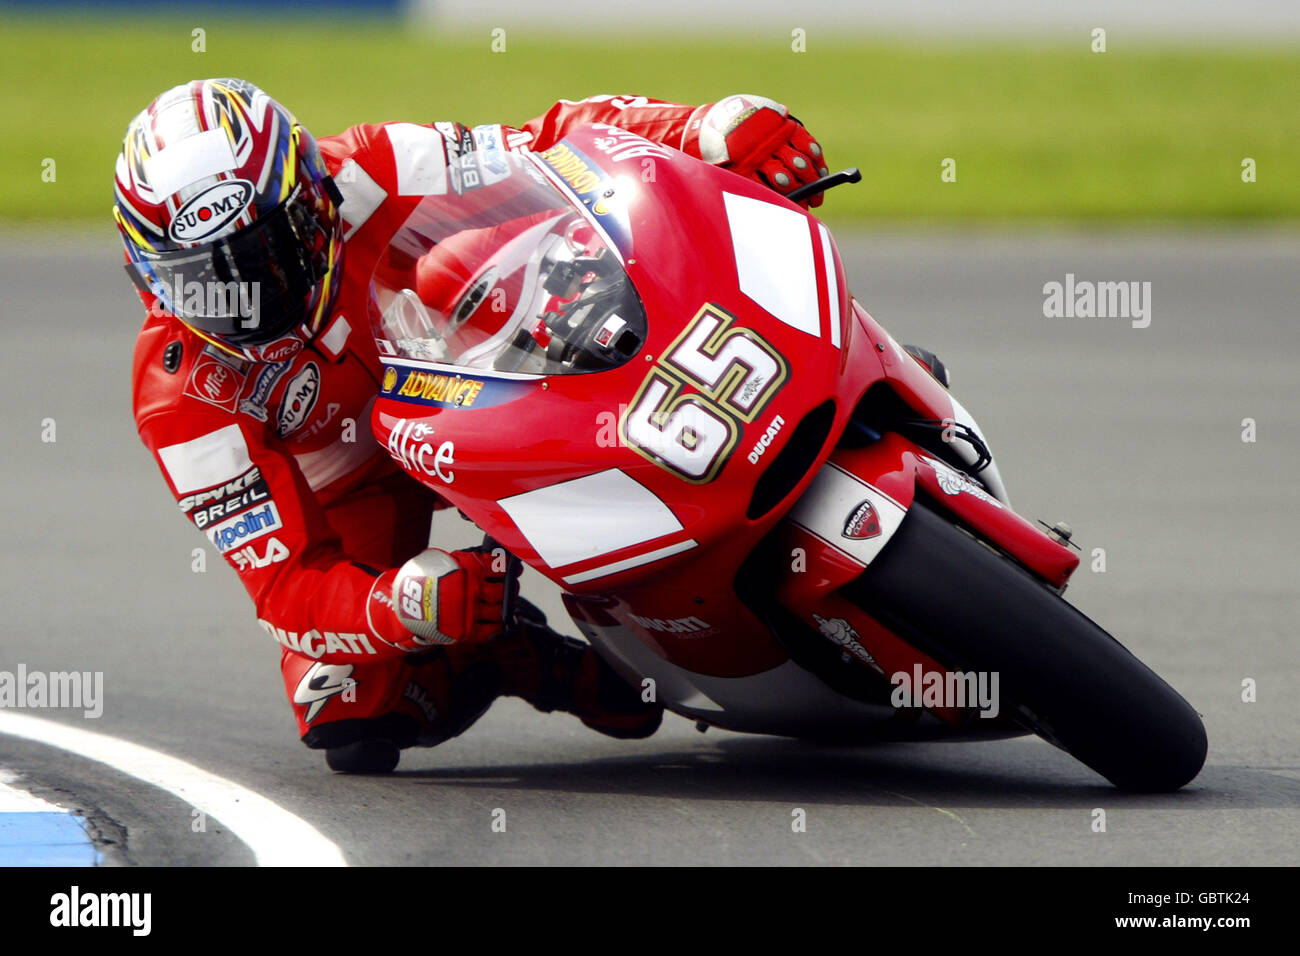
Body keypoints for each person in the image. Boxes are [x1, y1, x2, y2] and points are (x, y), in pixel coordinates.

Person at [114, 78, 829, 773]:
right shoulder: (178, 397)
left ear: (314, 198)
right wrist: (402, 607)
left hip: (483, 392)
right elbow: (286, 589)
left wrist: (702, 129)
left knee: (470, 262)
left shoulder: (374, 166)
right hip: (357, 491)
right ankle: (506, 649)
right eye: (202, 279)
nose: (249, 301)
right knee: (348, 713)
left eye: (269, 253)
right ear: (149, 277)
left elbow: (552, 146)